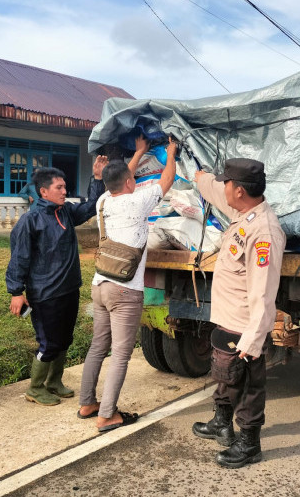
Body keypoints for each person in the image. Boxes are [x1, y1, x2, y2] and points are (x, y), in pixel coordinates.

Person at [77, 135, 177, 432]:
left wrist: (138, 153)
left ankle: (87, 403)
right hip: (125, 289)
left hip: (100, 285)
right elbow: (168, 178)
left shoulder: (103, 201)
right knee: (120, 354)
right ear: (130, 183)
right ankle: (107, 415)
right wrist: (170, 153)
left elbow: (121, 177)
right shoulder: (138, 201)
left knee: (98, 346)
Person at [191, 158, 285, 468]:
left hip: (245, 325)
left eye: (227, 183)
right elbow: (214, 191)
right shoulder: (242, 212)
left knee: (248, 384)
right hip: (228, 319)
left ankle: (249, 443)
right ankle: (221, 422)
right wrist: (198, 174)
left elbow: (263, 291)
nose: (224, 187)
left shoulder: (264, 232)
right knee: (225, 376)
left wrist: (254, 340)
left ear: (240, 190)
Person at [6, 157, 107, 406]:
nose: (65, 191)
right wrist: (16, 291)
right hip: (45, 293)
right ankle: (35, 387)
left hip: (69, 289)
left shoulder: (66, 212)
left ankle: (54, 382)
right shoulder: (31, 221)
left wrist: (97, 179)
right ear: (44, 191)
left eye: (65, 187)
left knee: (64, 339)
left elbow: (93, 206)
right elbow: (19, 257)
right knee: (48, 342)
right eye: (59, 188)